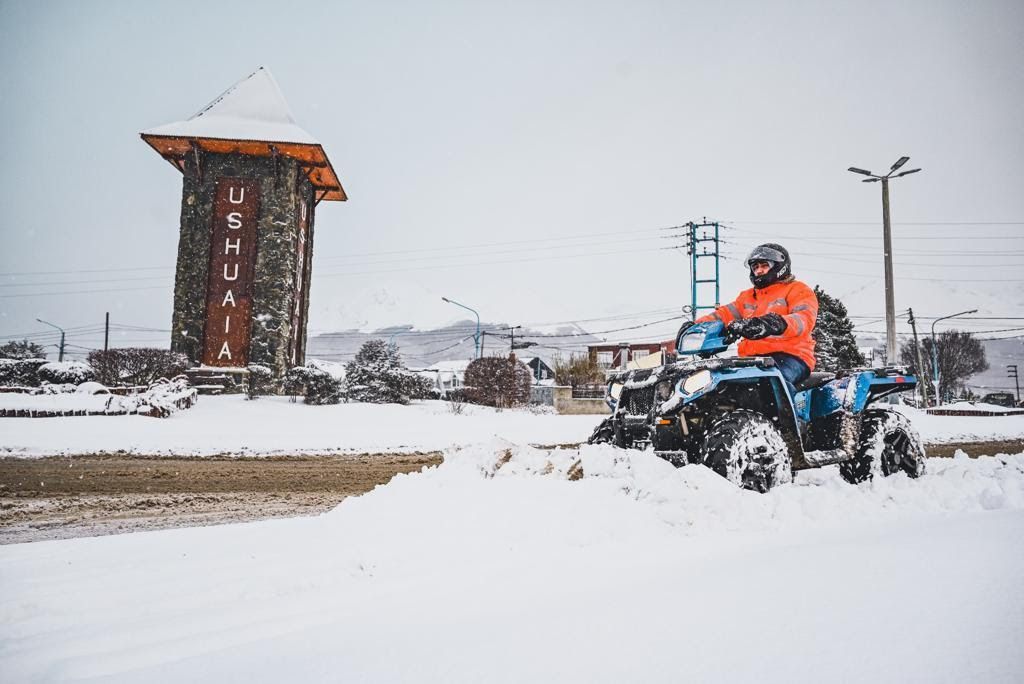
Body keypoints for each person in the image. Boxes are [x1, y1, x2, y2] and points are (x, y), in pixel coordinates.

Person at [682, 243, 818, 394]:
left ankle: (785, 417)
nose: (759, 270)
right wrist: (694, 326)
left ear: (780, 266)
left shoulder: (798, 290)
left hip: (791, 357)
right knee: (719, 386)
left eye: (764, 265)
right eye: (755, 267)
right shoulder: (747, 297)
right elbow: (722, 315)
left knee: (772, 383)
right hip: (752, 359)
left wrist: (773, 323)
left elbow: (803, 320)